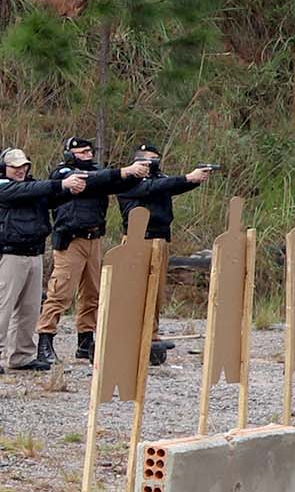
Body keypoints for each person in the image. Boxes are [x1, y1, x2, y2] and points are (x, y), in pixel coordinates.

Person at [0, 147, 86, 376]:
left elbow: (47, 194)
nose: (20, 170)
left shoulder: (31, 188)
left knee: (29, 310)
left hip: (33, 254)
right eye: (15, 166)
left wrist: (71, 189)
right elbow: (32, 189)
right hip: (8, 256)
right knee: (0, 309)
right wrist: (61, 185)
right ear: (2, 167)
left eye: (24, 166)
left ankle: (23, 355)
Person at [35, 136, 138, 366]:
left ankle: (85, 342)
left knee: (93, 294)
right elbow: (92, 180)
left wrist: (133, 174)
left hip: (94, 239)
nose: (88, 156)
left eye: (89, 152)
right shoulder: (63, 174)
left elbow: (113, 182)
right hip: (71, 240)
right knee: (60, 293)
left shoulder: (98, 173)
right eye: (82, 152)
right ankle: (45, 340)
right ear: (70, 154)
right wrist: (123, 171)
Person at [115, 146, 216, 356]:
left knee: (156, 291)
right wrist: (187, 177)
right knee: (135, 290)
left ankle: (151, 333)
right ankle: (129, 334)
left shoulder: (159, 179)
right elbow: (153, 188)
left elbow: (169, 186)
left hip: (160, 238)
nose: (155, 163)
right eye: (151, 160)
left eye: (156, 159)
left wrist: (193, 181)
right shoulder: (129, 180)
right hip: (138, 240)